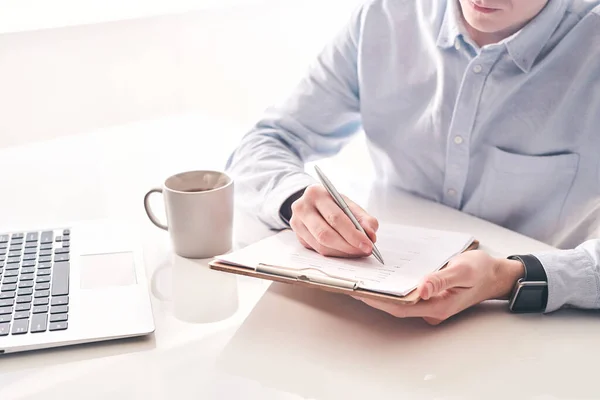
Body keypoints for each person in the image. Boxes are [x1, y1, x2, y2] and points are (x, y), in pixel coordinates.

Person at [226, 0, 600, 324]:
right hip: (366, 309)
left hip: (532, 329)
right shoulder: (386, 16)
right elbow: (264, 143)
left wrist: (509, 276)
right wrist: (296, 200)